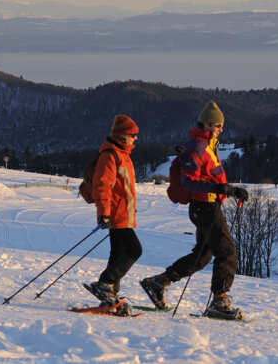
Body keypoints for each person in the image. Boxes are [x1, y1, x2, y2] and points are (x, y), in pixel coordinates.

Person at [140, 101, 249, 320]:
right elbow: (188, 182)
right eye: (218, 125)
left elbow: (210, 178)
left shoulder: (208, 146)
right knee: (227, 252)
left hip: (207, 205)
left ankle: (160, 281)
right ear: (207, 124)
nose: (221, 129)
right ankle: (219, 301)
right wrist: (217, 188)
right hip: (205, 207)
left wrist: (232, 190)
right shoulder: (198, 146)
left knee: (202, 256)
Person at [83, 114, 142, 316]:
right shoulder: (110, 155)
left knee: (117, 254)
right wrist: (104, 214)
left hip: (123, 213)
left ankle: (110, 296)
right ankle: (105, 284)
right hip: (116, 214)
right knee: (135, 250)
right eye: (133, 134)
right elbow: (102, 187)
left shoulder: (123, 155)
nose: (136, 138)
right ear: (122, 136)